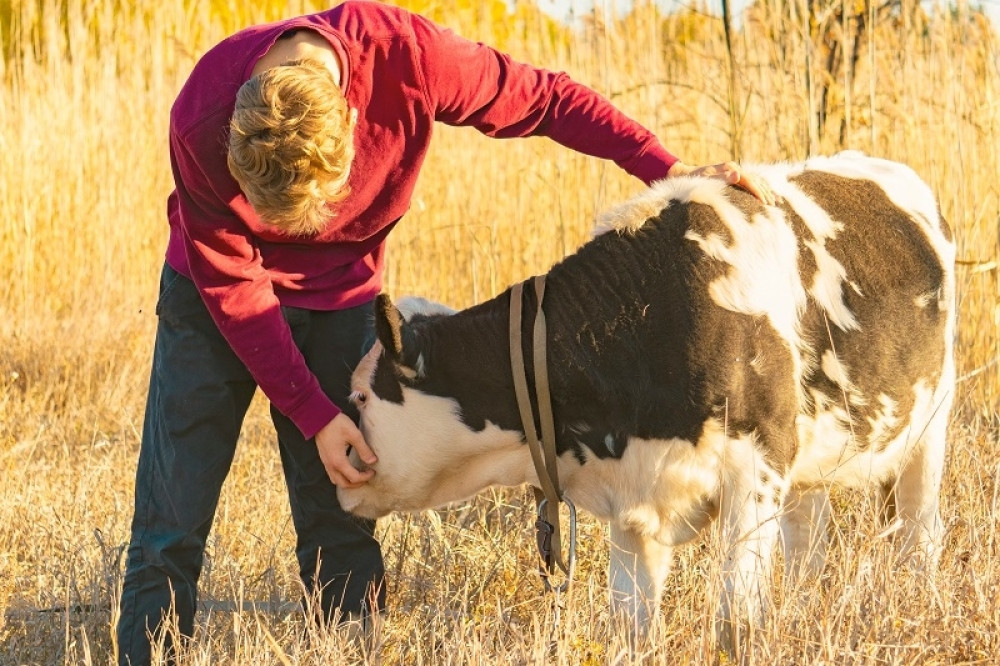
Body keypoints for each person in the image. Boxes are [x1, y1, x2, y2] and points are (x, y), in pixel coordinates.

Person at [116, 1, 774, 663]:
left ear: (352, 114)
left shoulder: (409, 58)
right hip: (211, 305)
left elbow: (545, 99)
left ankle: (347, 651)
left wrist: (664, 166)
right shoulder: (201, 115)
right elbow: (234, 285)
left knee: (342, 508)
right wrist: (313, 414)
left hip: (341, 300)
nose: (294, 236)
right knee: (170, 523)